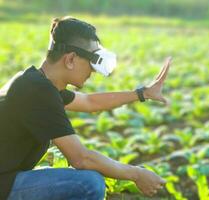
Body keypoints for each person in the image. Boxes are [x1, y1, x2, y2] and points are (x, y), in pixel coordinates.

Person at [0, 16, 172, 200]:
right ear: (71, 59)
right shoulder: (38, 91)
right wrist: (137, 174)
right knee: (88, 183)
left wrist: (142, 93)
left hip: (8, 179)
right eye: (91, 63)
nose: (93, 71)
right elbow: (81, 159)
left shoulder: (35, 82)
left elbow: (90, 103)